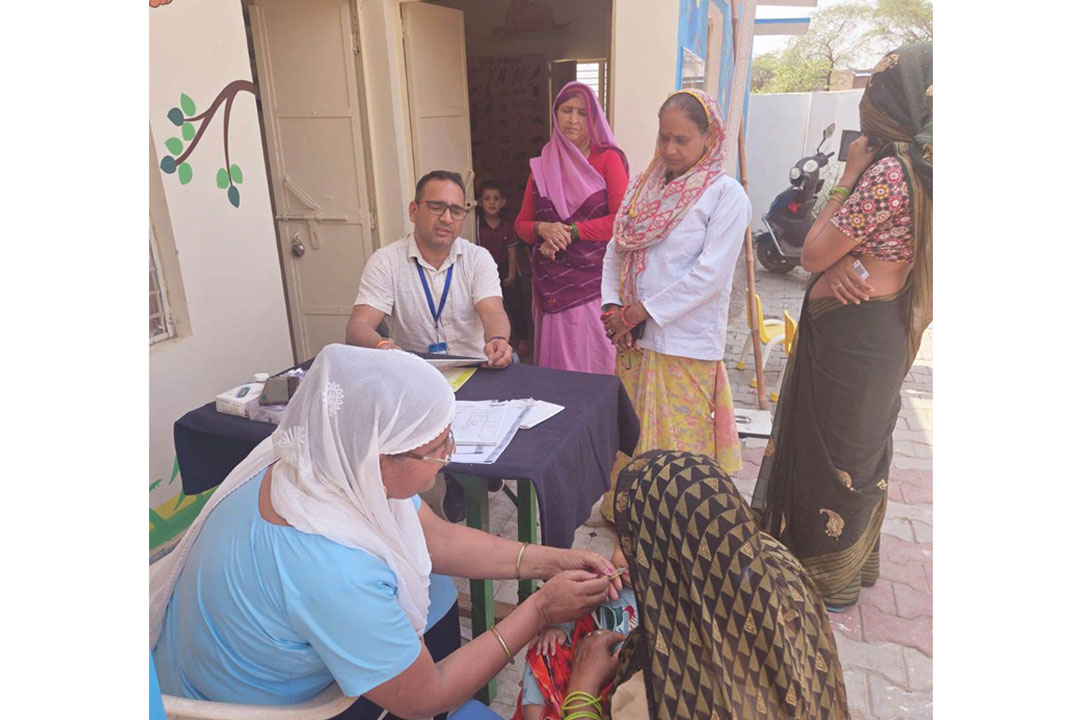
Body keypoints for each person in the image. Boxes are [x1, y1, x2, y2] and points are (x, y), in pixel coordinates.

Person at [150, 345, 624, 719]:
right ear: (379, 457)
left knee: (433, 593)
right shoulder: (334, 570)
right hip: (252, 710)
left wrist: (550, 560)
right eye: (439, 446)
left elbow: (436, 539)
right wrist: (540, 609)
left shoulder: (322, 463)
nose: (450, 456)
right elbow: (425, 696)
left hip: (217, 662)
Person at [751, 44, 933, 612]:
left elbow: (809, 251)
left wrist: (847, 174)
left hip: (851, 339)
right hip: (880, 330)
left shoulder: (884, 174)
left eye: (871, 98)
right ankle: (852, 567)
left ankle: (824, 578)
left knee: (832, 454)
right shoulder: (931, 169)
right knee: (861, 448)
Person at [564, 450, 850, 720]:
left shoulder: (656, 689)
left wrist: (581, 690)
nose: (620, 557)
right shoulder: (784, 572)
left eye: (629, 541)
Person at [597, 89, 749, 525]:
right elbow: (616, 249)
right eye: (664, 137)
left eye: (682, 139)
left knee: (678, 443)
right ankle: (625, 515)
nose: (669, 149)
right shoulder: (644, 188)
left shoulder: (725, 195)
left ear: (709, 137)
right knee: (632, 431)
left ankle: (672, 526)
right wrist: (613, 308)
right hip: (633, 340)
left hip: (684, 343)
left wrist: (639, 312)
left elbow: (710, 276)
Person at [515, 82, 629, 374]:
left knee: (595, 364)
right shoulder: (542, 165)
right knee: (557, 369)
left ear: (593, 118)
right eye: (566, 110)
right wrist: (543, 228)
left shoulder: (608, 159)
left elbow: (621, 220)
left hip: (594, 288)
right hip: (551, 289)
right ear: (556, 115)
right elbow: (521, 225)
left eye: (582, 111)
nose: (573, 119)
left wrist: (572, 232)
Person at [346, 170, 513, 369]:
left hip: (475, 369)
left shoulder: (478, 258)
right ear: (413, 211)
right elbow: (359, 326)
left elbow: (493, 312)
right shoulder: (386, 261)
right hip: (415, 372)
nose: (447, 219)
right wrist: (383, 346)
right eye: (436, 207)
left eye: (456, 211)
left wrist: (498, 339)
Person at [515, 584, 637, 720]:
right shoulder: (600, 578)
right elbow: (571, 606)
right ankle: (535, 713)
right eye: (628, 560)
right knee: (544, 648)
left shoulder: (656, 605)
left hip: (618, 674)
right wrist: (560, 627)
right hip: (580, 652)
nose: (629, 564)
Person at [476, 179, 530, 353]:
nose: (492, 202)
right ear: (479, 202)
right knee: (489, 306)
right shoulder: (476, 225)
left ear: (503, 202)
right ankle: (494, 342)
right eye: (487, 198)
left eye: (496, 198)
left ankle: (522, 340)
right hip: (484, 271)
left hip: (505, 268)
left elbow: (511, 252)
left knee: (515, 305)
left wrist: (512, 275)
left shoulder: (507, 225)